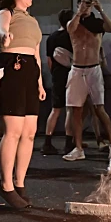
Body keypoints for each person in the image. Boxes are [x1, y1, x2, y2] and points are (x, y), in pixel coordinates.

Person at [0, 0, 45, 209]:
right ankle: (6, 185)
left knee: (29, 132)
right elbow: (1, 28)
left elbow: (37, 53)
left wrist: (40, 82)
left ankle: (20, 183)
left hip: (30, 71)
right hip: (12, 67)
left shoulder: (33, 20)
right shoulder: (6, 12)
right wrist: (4, 35)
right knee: (13, 131)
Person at [63, 0, 111, 162]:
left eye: (88, 4)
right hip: (77, 69)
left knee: (99, 109)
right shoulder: (74, 22)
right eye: (82, 4)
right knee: (76, 110)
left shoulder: (97, 24)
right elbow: (70, 29)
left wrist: (101, 10)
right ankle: (78, 148)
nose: (86, 7)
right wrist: (79, 13)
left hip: (94, 68)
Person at [42, 9, 73, 155]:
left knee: (55, 110)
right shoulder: (72, 36)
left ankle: (47, 142)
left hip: (56, 75)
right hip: (72, 75)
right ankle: (68, 143)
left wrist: (54, 72)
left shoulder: (52, 37)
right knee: (70, 110)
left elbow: (49, 60)